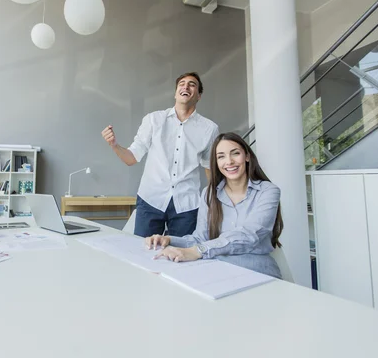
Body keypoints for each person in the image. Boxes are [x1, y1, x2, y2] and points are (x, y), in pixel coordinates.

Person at [144, 132, 284, 279]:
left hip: (258, 273)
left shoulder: (268, 191)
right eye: (221, 156)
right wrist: (169, 240)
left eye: (235, 153)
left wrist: (198, 251)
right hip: (218, 270)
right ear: (216, 163)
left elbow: (250, 235)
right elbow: (200, 238)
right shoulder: (209, 193)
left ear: (247, 156)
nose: (229, 161)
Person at [102, 72, 219, 238]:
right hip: (151, 199)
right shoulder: (153, 120)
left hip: (187, 204)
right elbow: (132, 158)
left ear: (199, 95)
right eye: (182, 83)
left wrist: (213, 202)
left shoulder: (209, 129)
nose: (186, 86)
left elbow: (210, 168)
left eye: (192, 84)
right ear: (176, 92)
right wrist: (114, 146)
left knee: (180, 256)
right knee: (142, 253)